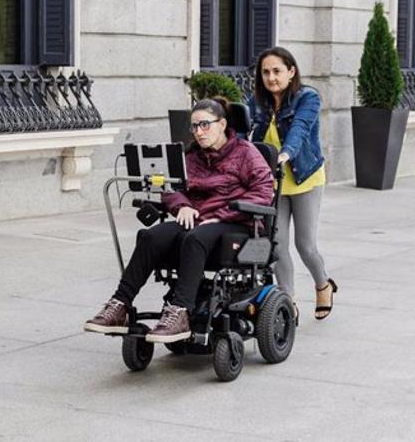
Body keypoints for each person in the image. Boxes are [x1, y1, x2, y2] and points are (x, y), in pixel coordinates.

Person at [84, 97, 274, 343]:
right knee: (151, 235)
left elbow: (263, 193)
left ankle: (180, 312)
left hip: (235, 222)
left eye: (205, 125)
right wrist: (182, 205)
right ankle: (120, 305)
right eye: (194, 126)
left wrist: (220, 216)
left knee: (195, 237)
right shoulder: (191, 156)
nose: (199, 132)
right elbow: (170, 186)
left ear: (222, 124)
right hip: (197, 220)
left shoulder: (246, 153)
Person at [247, 46, 337, 320]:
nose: (271, 77)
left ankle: (323, 284)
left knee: (305, 244)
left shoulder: (307, 97)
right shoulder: (257, 102)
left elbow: (299, 130)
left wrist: (284, 154)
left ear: (291, 71)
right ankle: (287, 302)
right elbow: (241, 132)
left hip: (303, 176)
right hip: (273, 182)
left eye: (277, 71)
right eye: (266, 72)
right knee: (276, 244)